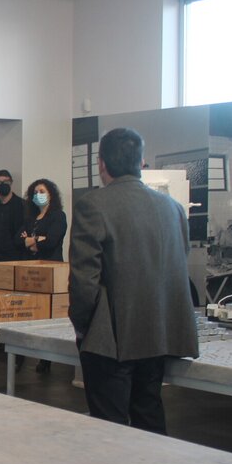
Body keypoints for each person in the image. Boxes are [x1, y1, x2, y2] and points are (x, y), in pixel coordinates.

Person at [69, 127, 198, 435]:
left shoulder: (93, 205)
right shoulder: (173, 208)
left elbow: (84, 279)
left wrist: (83, 326)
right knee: (149, 417)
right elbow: (178, 265)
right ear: (141, 162)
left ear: (101, 163)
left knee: (111, 428)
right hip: (156, 334)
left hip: (110, 338)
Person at [20, 178, 67, 262]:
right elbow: (18, 240)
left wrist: (28, 241)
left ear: (50, 195)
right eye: (35, 193)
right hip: (30, 264)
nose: (38, 195)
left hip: (51, 263)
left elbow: (51, 242)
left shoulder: (58, 215)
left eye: (42, 192)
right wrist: (38, 238)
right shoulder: (30, 218)